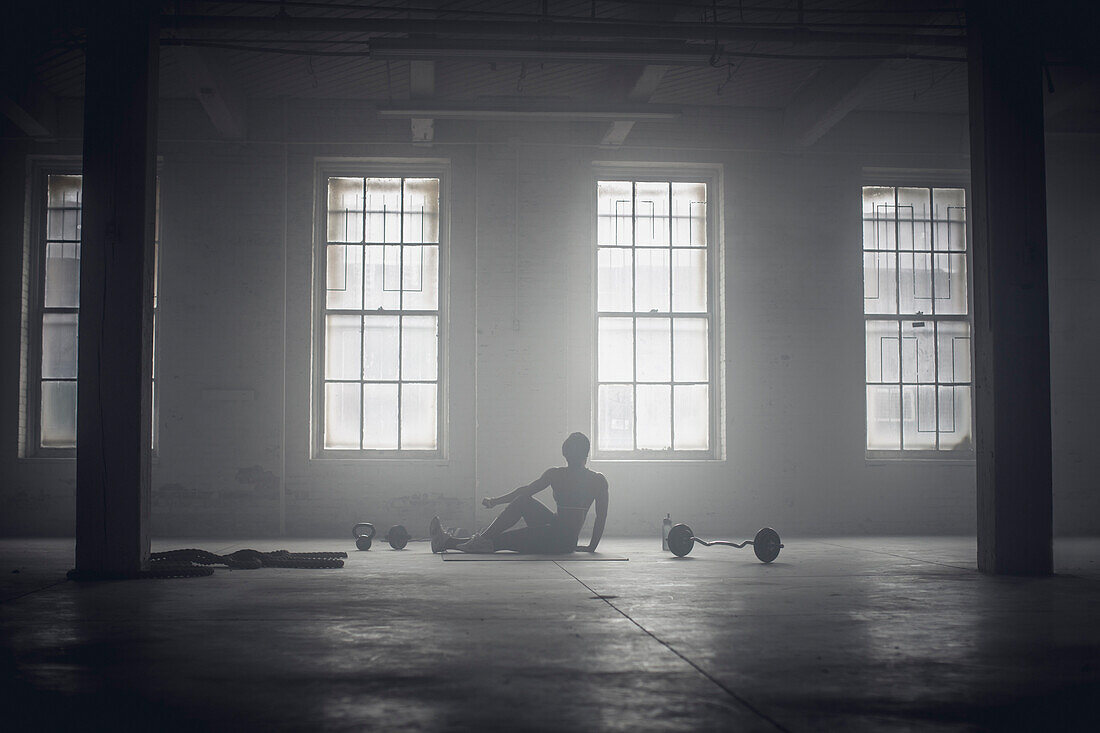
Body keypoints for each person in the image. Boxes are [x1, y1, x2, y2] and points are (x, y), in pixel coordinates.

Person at [430, 432, 608, 554]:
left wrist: (591, 547)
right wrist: (496, 501)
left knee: (501, 541)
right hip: (554, 526)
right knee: (523, 501)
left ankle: (448, 542)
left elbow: (601, 517)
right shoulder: (558, 474)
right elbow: (525, 492)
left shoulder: (596, 480)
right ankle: (468, 540)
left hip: (562, 541)